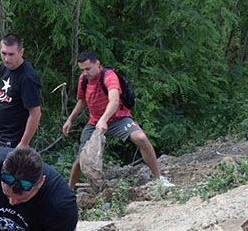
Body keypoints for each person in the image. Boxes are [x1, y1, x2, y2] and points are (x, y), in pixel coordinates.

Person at [62, 51, 173, 188]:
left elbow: (114, 101)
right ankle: (69, 189)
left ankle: (158, 179)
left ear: (97, 64)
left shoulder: (109, 76)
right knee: (81, 160)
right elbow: (82, 100)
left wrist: (104, 119)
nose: (85, 73)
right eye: (82, 69)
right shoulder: (83, 79)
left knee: (141, 138)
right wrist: (70, 119)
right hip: (94, 123)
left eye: (88, 69)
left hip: (118, 118)